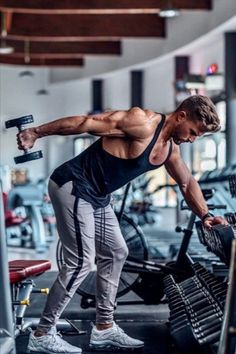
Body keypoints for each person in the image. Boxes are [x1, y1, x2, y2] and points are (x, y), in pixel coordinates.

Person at [17, 95, 228, 353]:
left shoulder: (170, 149)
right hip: (72, 184)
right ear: (182, 116)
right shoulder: (143, 122)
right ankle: (43, 333)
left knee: (117, 251)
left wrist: (206, 216)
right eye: (193, 132)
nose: (192, 139)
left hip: (99, 196)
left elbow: (186, 183)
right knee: (82, 261)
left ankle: (104, 328)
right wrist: (36, 132)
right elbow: (85, 122)